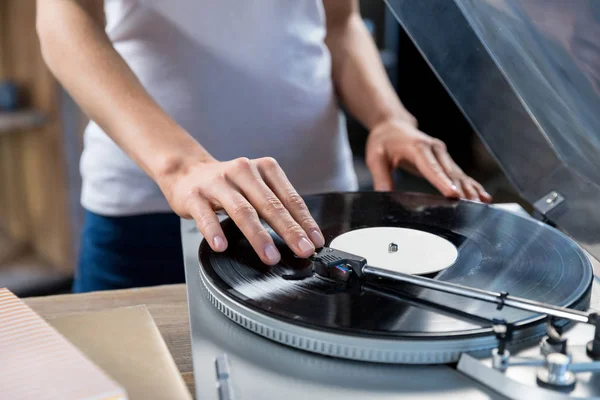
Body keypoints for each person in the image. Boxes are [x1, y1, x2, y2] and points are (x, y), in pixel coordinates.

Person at [36, 0, 491, 292]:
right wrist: (178, 166)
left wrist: (388, 118)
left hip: (317, 210)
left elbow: (340, 22)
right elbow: (63, 15)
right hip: (145, 210)